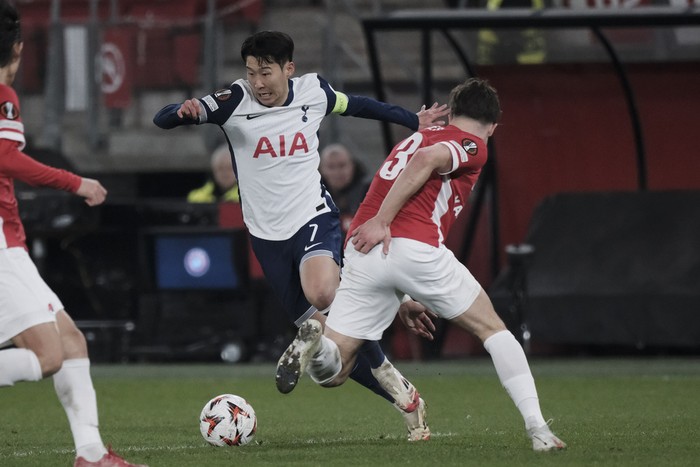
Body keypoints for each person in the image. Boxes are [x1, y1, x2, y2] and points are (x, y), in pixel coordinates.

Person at [153, 30, 449, 440]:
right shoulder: (233, 102)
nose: (258, 83)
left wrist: (411, 120)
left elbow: (360, 105)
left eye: (267, 73)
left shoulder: (314, 92)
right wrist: (181, 112)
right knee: (329, 369)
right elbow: (162, 118)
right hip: (266, 238)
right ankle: (405, 396)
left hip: (313, 216)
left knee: (323, 295)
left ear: (288, 69)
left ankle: (363, 312)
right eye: (252, 73)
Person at [276, 77, 567, 451]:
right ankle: (538, 429)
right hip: (408, 243)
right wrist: (384, 220)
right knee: (494, 330)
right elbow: (428, 161)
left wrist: (400, 294)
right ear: (492, 125)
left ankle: (315, 344)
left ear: (454, 110)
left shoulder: (417, 136)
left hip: (364, 250)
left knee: (334, 369)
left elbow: (414, 163)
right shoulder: (471, 144)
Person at [0, 3, 148, 466]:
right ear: (19, 48)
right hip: (1, 245)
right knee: (47, 356)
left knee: (71, 343)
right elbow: (6, 158)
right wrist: (75, 181)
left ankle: (91, 454)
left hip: (10, 244)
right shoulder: (3, 92)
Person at [319, 143, 369, 236]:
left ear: (352, 165)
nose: (337, 172)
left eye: (342, 165)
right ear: (322, 169)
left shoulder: (369, 193)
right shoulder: (315, 198)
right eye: (331, 167)